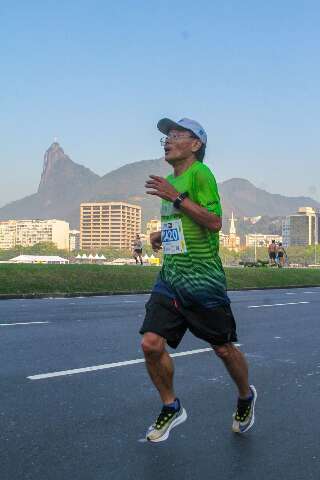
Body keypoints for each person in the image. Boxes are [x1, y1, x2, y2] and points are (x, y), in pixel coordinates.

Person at [140, 117, 257, 443]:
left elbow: (215, 221)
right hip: (171, 276)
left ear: (196, 145)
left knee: (223, 348)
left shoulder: (200, 175)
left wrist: (176, 197)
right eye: (166, 135)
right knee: (150, 343)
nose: (168, 139)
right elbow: (183, 225)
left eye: (176, 134)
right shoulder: (169, 181)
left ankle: (246, 396)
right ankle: (171, 405)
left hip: (203, 281)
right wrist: (161, 234)